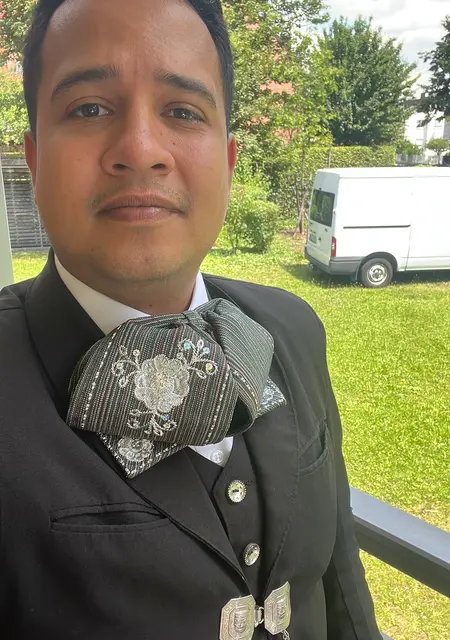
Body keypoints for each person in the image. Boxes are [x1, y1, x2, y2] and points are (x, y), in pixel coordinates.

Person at [0, 1, 381, 638]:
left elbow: (340, 586)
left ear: (228, 162)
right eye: (89, 108)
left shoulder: (293, 328)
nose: (141, 150)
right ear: (33, 161)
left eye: (182, 111)